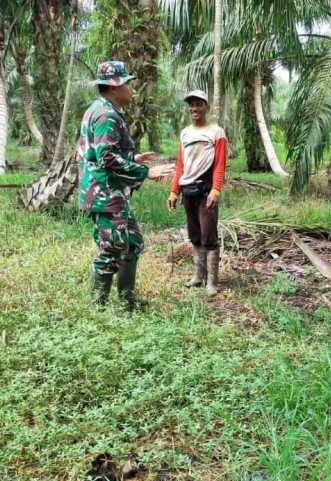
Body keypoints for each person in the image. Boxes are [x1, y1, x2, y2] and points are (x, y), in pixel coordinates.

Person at [77, 60, 165, 309]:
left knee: (132, 242)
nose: (131, 88)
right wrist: (145, 172)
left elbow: (99, 152)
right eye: (128, 83)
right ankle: (98, 307)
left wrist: (131, 158)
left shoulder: (101, 109)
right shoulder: (106, 114)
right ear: (115, 87)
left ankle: (127, 299)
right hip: (105, 194)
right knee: (112, 250)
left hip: (110, 193)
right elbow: (105, 158)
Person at [167, 90, 228, 297]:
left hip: (205, 190)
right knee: (194, 234)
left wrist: (216, 189)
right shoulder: (185, 133)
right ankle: (198, 276)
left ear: (206, 107)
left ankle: (212, 281)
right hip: (188, 190)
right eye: (191, 105)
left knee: (208, 234)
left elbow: (220, 164)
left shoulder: (216, 132)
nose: (194, 108)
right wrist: (174, 192)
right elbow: (180, 165)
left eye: (198, 104)